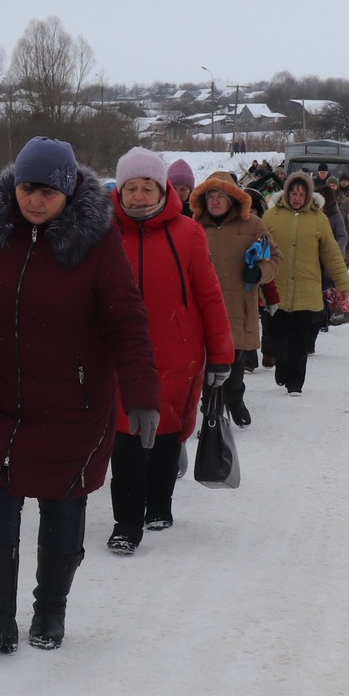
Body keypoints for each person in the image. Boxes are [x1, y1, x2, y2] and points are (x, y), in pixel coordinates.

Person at [0, 138, 158, 652]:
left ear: (68, 190)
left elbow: (126, 321)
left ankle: (50, 611)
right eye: (27, 189)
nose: (34, 201)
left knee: (61, 506)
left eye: (47, 192)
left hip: (73, 401)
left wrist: (142, 395)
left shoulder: (96, 243)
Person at [106, 149, 234, 553]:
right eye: (132, 187)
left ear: (162, 189)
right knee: (124, 441)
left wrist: (222, 354)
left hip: (178, 355)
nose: (140, 196)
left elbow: (210, 297)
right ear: (120, 190)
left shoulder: (188, 232)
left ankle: (159, 504)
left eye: (148, 187)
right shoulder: (102, 231)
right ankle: (126, 522)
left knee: (166, 437)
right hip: (120, 358)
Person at [190, 171, 279, 427]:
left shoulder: (253, 226)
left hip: (239, 310)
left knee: (234, 370)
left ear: (233, 198)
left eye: (220, 196)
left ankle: (234, 398)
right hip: (203, 311)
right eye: (210, 196)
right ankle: (211, 414)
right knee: (208, 369)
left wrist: (260, 271)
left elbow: (275, 258)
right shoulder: (193, 227)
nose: (215, 201)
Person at [261, 173, 349, 395]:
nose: (297, 197)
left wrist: (342, 282)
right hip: (276, 289)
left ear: (309, 195)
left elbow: (331, 253)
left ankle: (295, 384)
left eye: (302, 194)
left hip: (306, 288)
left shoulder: (318, 219)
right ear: (287, 192)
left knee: (300, 341)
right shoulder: (271, 216)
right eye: (294, 192)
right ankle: (282, 368)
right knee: (277, 337)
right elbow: (258, 247)